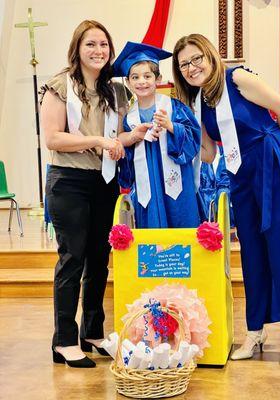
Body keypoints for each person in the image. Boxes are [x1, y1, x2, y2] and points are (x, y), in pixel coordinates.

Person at [172, 33, 280, 365]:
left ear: (209, 55)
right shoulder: (197, 102)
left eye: (196, 58)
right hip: (240, 174)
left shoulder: (237, 77)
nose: (191, 67)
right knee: (253, 251)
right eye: (184, 64)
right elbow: (210, 152)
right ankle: (255, 332)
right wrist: (174, 130)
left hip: (271, 162)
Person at [40, 20, 127, 368]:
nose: (98, 51)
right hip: (69, 181)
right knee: (72, 259)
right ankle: (63, 340)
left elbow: (120, 137)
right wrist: (98, 141)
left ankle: (92, 332)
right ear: (77, 48)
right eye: (90, 44)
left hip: (103, 182)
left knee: (98, 260)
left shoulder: (115, 91)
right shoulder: (59, 86)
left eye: (104, 45)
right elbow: (53, 138)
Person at [113, 41, 201, 228]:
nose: (142, 81)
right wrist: (133, 138)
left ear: (158, 78)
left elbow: (194, 138)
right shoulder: (129, 118)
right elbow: (126, 157)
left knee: (180, 225)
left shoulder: (175, 108)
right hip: (148, 187)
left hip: (178, 185)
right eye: (135, 77)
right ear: (128, 82)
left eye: (147, 76)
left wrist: (171, 126)